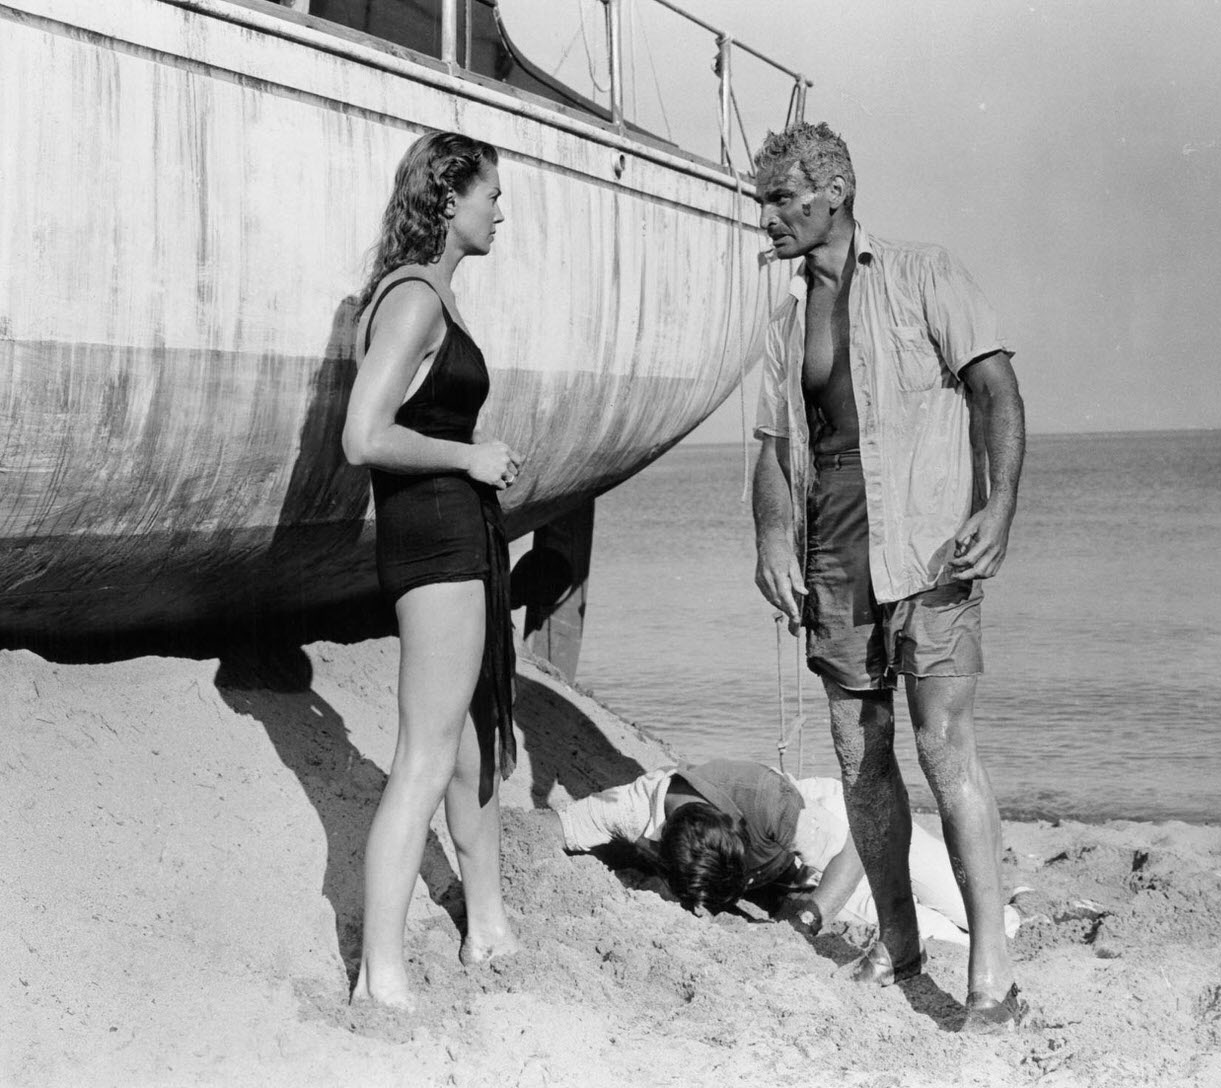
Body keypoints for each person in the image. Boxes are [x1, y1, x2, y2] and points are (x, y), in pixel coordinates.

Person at [749, 122, 1027, 1032]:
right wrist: (771, 541)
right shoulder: (787, 315)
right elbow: (773, 448)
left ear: (832, 191)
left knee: (946, 753)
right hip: (834, 559)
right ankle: (898, 939)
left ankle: (991, 971)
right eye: (765, 205)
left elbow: (997, 393)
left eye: (782, 202)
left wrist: (999, 506)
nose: (770, 221)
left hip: (930, 549)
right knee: (860, 758)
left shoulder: (922, 273)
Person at [341, 131, 523, 1009]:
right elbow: (363, 435)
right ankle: (380, 976)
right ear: (449, 200)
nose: (501, 208)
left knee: (472, 743)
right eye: (491, 192)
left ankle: (486, 926)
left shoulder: (429, 296)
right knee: (424, 756)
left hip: (455, 539)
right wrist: (470, 457)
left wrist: (470, 462)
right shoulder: (414, 298)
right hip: (438, 545)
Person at [554, 760, 1020, 948]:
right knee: (943, 936)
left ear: (736, 827)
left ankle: (1017, 907)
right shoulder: (631, 810)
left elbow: (855, 850)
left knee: (976, 907)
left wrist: (810, 920)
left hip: (833, 831)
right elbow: (558, 827)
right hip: (788, 874)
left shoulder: (765, 802)